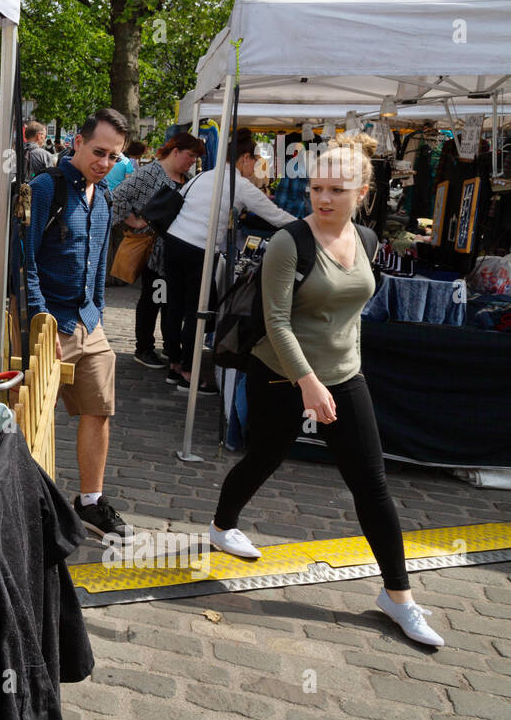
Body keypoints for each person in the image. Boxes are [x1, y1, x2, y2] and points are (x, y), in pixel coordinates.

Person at [208, 134, 444, 647]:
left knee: (371, 482)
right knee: (266, 456)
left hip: (343, 375)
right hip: (280, 372)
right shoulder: (289, 242)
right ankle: (223, 523)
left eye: (337, 188)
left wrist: (340, 369)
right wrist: (307, 382)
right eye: (316, 187)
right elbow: (275, 322)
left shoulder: (367, 240)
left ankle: (397, 596)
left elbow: (351, 310)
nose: (324, 197)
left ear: (363, 191)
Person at [25, 108, 130, 542]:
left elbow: (100, 263)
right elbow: (24, 261)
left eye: (114, 157)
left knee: (99, 410)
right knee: (33, 417)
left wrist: (99, 312)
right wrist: (39, 320)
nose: (105, 162)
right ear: (77, 143)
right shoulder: (45, 188)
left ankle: (89, 501)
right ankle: (27, 505)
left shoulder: (103, 196)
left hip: (90, 320)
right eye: (99, 151)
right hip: (51, 321)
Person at [161, 136, 297, 394]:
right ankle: (189, 373)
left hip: (174, 242)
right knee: (195, 312)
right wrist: (308, 226)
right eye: (255, 161)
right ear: (245, 158)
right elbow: (275, 215)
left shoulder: (204, 176)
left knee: (174, 307)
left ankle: (175, 365)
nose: (255, 167)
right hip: (199, 249)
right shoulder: (239, 184)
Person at [111, 134, 206, 369]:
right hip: (155, 253)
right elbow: (118, 197)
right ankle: (144, 347)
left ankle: (168, 346)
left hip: (176, 253)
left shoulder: (188, 178)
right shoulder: (150, 173)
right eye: (190, 155)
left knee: (170, 303)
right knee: (153, 299)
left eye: (195, 157)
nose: (192, 161)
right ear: (175, 151)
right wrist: (134, 222)